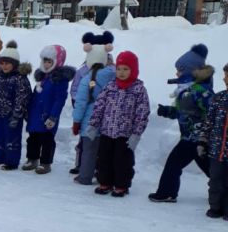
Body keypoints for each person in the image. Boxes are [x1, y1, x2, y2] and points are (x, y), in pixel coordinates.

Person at [149, 43, 213, 205]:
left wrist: (205, 135)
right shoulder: (185, 91)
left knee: (174, 164)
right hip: (189, 138)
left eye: (181, 69)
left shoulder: (201, 91)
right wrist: (167, 111)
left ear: (191, 71)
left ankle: (166, 193)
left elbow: (211, 114)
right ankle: (221, 190)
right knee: (210, 169)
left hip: (198, 139)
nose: (177, 73)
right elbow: (182, 113)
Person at [86, 51, 150, 197]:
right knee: (104, 159)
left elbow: (142, 112)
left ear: (133, 70)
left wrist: (136, 134)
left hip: (125, 134)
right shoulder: (110, 86)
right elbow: (99, 106)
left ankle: (122, 185)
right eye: (119, 68)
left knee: (123, 161)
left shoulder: (138, 89)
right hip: (107, 131)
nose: (121, 72)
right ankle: (105, 182)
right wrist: (93, 124)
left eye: (126, 69)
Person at [24, 44, 75, 174]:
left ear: (57, 62)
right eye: (44, 61)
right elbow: (35, 96)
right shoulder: (42, 77)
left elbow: (59, 99)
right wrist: (28, 111)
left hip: (48, 116)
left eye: (49, 62)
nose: (46, 64)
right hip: (36, 115)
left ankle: (45, 162)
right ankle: (32, 158)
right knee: (33, 138)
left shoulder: (60, 79)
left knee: (46, 140)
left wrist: (53, 117)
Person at [70, 31, 114, 174]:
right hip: (88, 112)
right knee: (85, 144)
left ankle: (91, 170)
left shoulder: (112, 70)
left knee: (96, 144)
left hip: (95, 114)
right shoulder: (83, 71)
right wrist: (76, 100)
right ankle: (82, 165)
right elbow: (75, 88)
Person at [0, 41, 32, 170]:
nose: (4, 66)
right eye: (2, 63)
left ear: (14, 64)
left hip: (12, 115)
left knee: (12, 138)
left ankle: (12, 161)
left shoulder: (19, 78)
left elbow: (22, 98)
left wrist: (17, 114)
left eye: (7, 64)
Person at [200, 63, 228, 219]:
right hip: (217, 149)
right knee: (215, 180)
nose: (224, 79)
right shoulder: (219, 97)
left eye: (227, 75)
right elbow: (209, 121)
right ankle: (215, 207)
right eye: (224, 75)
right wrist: (203, 141)